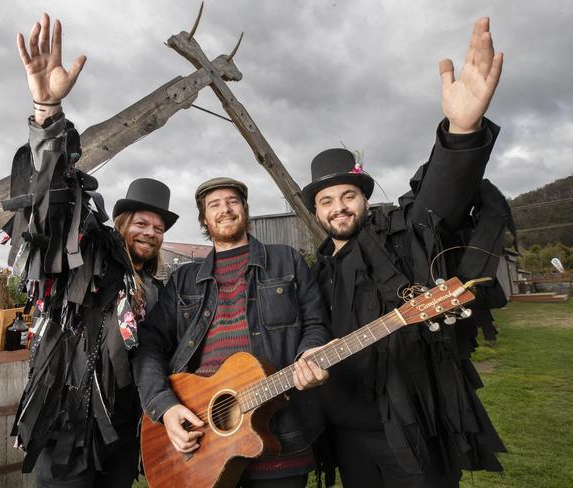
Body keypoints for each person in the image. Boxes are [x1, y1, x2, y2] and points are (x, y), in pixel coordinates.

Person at [300, 17, 512, 488]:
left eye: (347, 196)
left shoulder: (394, 237)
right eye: (326, 201)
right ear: (316, 212)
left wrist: (462, 130)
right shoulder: (314, 272)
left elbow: (437, 204)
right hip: (345, 435)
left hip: (411, 428)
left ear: (364, 198)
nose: (339, 208)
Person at [6, 14, 178, 487]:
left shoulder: (159, 289)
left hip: (124, 430)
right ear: (121, 223)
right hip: (67, 422)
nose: (150, 231)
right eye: (141, 222)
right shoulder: (90, 253)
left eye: (159, 227)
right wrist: (47, 111)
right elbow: (51, 203)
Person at [134, 177, 331, 488]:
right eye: (214, 205)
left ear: (245, 209)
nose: (225, 209)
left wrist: (310, 353)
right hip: (205, 446)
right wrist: (165, 406)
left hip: (283, 437)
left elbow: (316, 323)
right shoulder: (183, 280)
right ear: (203, 218)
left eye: (232, 201)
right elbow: (149, 344)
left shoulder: (287, 259)